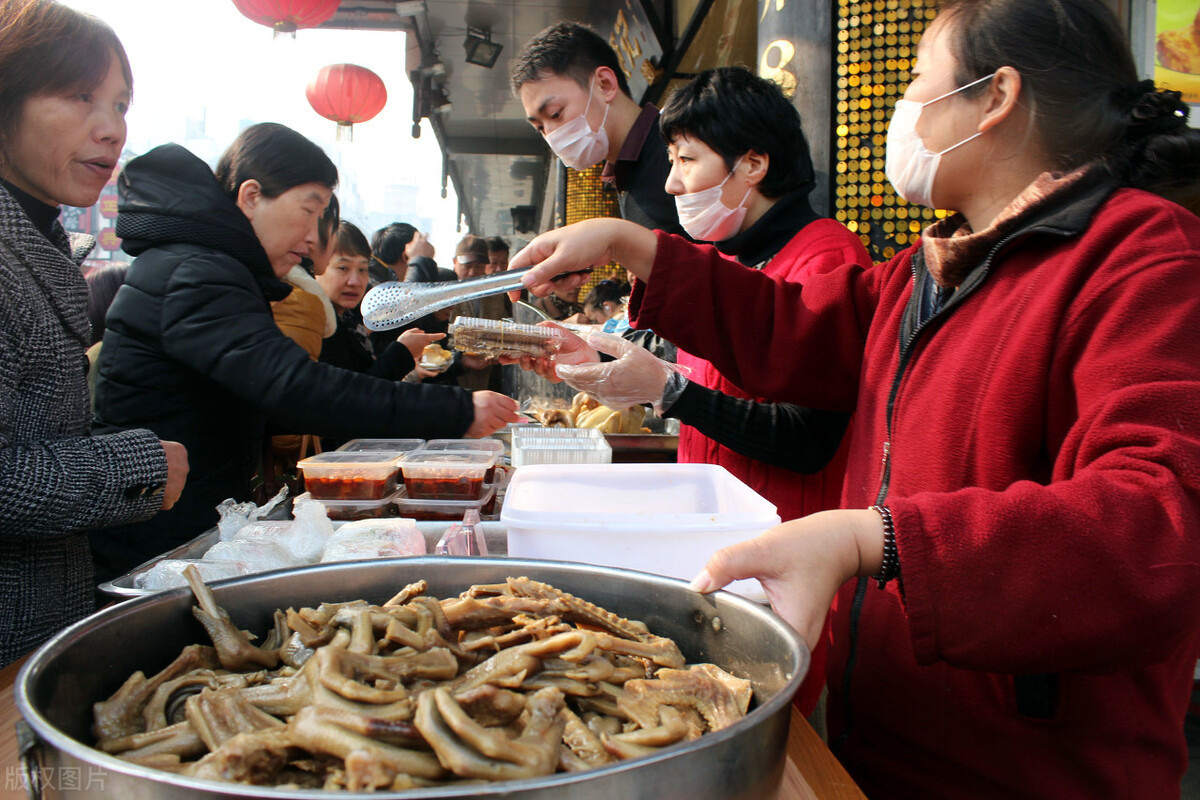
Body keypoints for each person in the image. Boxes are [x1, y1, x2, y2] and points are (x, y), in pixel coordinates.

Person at [511, 0, 1200, 795]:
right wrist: (633, 244)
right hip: (891, 733)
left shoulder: (1143, 259)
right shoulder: (936, 263)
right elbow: (798, 326)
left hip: (1035, 767)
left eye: (916, 80)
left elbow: (1162, 523)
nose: (904, 109)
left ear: (997, 96)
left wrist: (878, 540)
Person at [92, 123, 521, 579]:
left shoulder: (208, 267)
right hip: (154, 525)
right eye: (309, 211)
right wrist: (454, 410)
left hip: (177, 516)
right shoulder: (194, 272)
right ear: (251, 196)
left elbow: (276, 397)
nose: (316, 238)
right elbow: (294, 388)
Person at [0, 0, 188, 665]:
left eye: (120, 104)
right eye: (80, 98)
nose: (110, 129)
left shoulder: (39, 241)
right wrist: (135, 466)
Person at [513, 21, 685, 237]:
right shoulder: (626, 179)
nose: (552, 136)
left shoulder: (682, 149)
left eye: (555, 113)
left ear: (605, 84)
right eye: (540, 128)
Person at [316, 220, 441, 381]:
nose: (355, 281)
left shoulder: (349, 320)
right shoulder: (317, 323)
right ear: (318, 266)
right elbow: (352, 393)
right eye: (343, 268)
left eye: (362, 270)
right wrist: (402, 352)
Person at [369, 221, 436, 286]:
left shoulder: (372, 279)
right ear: (405, 257)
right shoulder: (375, 287)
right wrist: (420, 260)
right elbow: (412, 296)